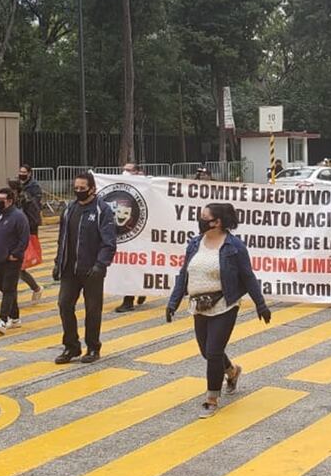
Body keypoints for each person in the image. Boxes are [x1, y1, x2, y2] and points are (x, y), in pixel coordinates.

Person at [166, 202, 271, 418]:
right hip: (199, 305)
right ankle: (232, 371)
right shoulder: (195, 243)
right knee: (206, 351)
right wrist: (173, 302)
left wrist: (261, 305)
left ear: (217, 222)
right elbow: (184, 274)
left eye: (204, 217)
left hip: (224, 305)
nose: (200, 220)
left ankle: (212, 398)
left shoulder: (234, 247)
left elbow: (248, 277)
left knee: (214, 352)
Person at [53, 172, 116, 364]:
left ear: (92, 189)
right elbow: (62, 238)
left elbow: (109, 242)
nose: (78, 191)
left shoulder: (102, 210)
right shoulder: (69, 209)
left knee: (92, 310)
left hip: (92, 270)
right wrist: (58, 263)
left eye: (82, 188)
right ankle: (71, 347)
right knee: (64, 305)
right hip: (69, 270)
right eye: (76, 188)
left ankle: (93, 347)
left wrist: (100, 265)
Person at [0, 187, 31, 335]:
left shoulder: (19, 217)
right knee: (5, 288)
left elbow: (24, 238)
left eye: (1, 200)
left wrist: (16, 253)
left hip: (12, 260)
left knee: (9, 288)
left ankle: (3, 320)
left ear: (10, 201)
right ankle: (15, 317)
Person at [115, 164, 147, 312]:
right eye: (124, 169)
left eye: (129, 170)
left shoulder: (146, 187)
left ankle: (129, 301)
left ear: (136, 172)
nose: (125, 172)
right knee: (129, 267)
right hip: (127, 234)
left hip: (142, 235)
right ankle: (139, 291)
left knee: (133, 267)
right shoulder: (121, 188)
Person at [8, 177, 46, 300]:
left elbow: (34, 220)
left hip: (22, 237)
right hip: (11, 237)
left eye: (12, 189)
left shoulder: (27, 201)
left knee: (18, 268)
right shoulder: (10, 202)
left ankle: (35, 288)